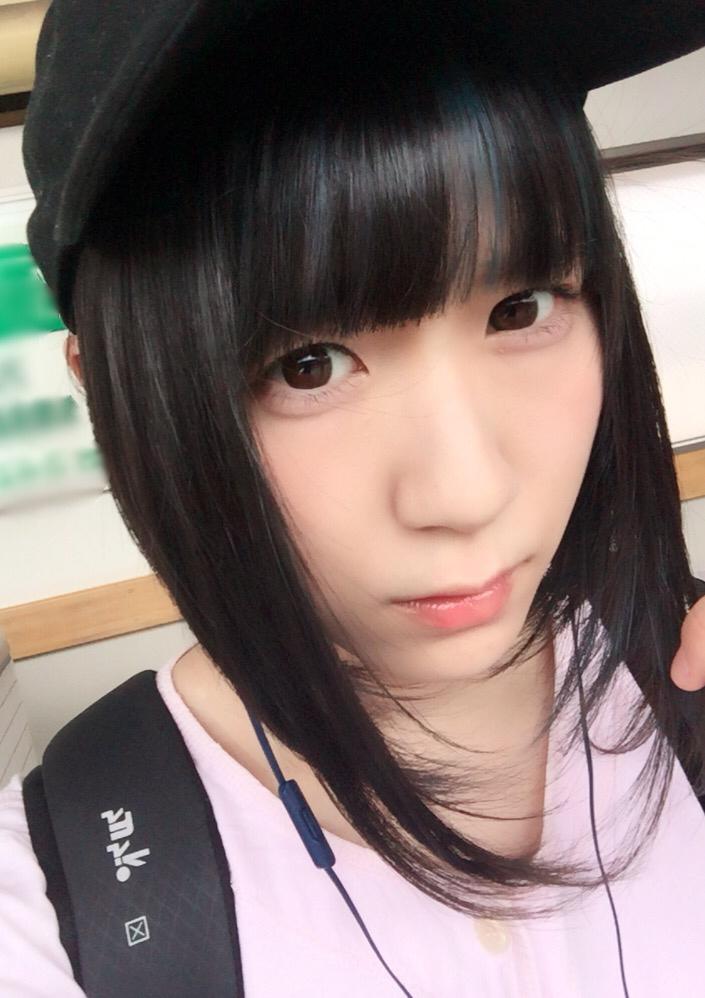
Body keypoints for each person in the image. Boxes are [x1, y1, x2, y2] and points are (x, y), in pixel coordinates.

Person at [2, 2, 705, 996]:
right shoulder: (53, 920)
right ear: (110, 393)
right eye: (308, 365)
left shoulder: (681, 696)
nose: (465, 491)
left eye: (520, 308)